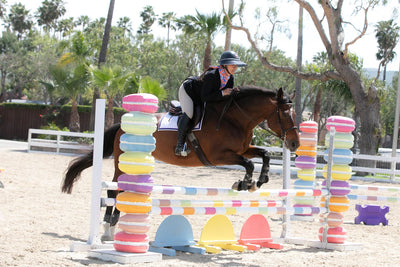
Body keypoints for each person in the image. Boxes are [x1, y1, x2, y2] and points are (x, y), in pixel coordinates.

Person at [175, 50, 247, 156]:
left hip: (202, 95)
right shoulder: (212, 75)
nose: (235, 67)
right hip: (189, 91)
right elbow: (205, 97)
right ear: (225, 65)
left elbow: (223, 97)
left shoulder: (230, 78)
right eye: (232, 64)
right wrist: (223, 93)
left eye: (236, 65)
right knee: (189, 113)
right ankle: (179, 146)